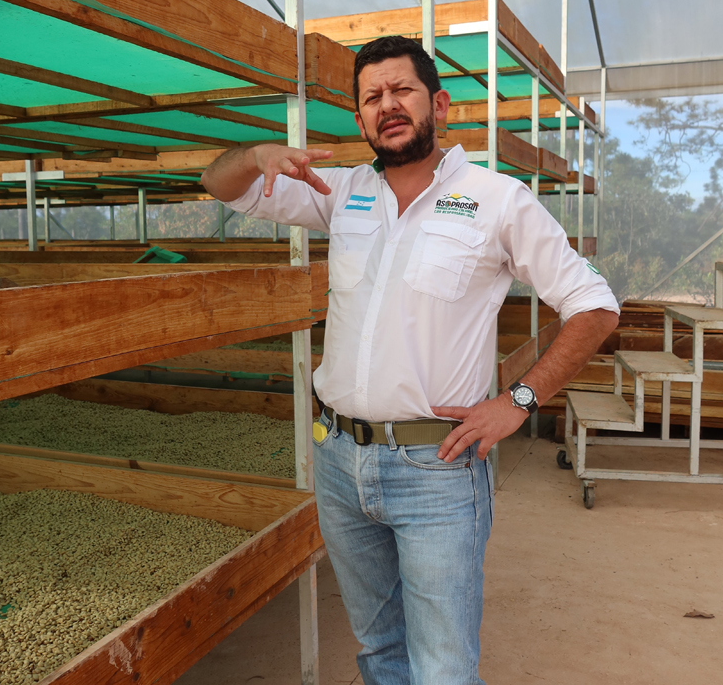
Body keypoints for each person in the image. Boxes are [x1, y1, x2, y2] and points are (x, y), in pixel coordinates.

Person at [201, 35, 619, 684]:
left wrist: (518, 402)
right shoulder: (340, 192)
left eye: (402, 90)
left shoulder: (496, 199)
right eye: (372, 97)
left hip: (437, 468)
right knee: (379, 651)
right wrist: (257, 155)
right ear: (360, 119)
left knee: (442, 667)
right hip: (339, 458)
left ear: (439, 106)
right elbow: (218, 184)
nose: (387, 105)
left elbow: (594, 305)